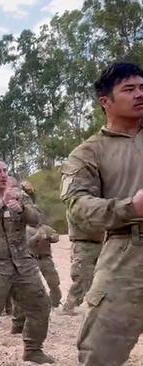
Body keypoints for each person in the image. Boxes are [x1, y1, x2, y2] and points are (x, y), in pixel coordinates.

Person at [60, 62, 143, 365]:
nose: (139, 94)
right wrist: (130, 207)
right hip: (127, 255)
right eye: (129, 89)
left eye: (142, 87)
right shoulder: (88, 153)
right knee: (100, 352)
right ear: (105, 101)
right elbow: (78, 206)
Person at [0, 159, 53, 365]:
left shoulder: (20, 194)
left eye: (5, 170)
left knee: (41, 305)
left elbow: (37, 219)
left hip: (23, 262)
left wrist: (22, 208)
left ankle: (33, 349)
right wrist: (2, 203)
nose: (4, 174)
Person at [11, 224, 62, 334]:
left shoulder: (45, 227)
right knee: (27, 287)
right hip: (30, 259)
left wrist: (49, 237)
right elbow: (25, 243)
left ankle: (55, 303)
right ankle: (18, 322)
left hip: (45, 258)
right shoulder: (23, 228)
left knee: (53, 282)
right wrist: (36, 237)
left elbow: (56, 237)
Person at [60, 216, 103, 316]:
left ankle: (96, 306)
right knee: (82, 277)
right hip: (83, 245)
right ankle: (69, 306)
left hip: (99, 244)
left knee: (100, 276)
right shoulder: (80, 205)